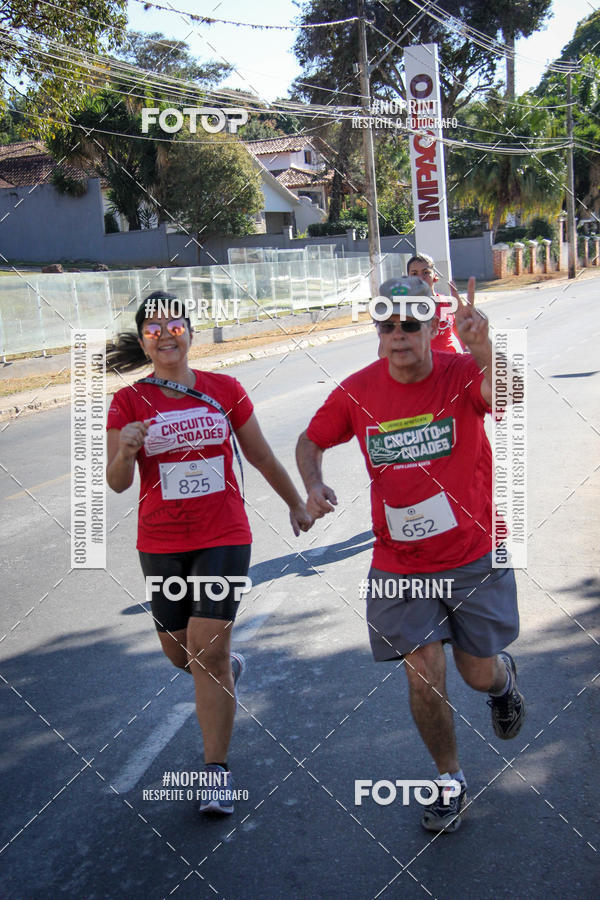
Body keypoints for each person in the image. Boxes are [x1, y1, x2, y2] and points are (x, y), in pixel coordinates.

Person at [296, 276, 525, 833]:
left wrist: (485, 349)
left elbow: (510, 396)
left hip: (473, 550)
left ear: (431, 328)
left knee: (474, 674)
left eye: (409, 324)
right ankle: (449, 779)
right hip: (400, 561)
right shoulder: (357, 391)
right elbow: (311, 439)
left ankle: (501, 682)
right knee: (423, 673)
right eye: (387, 324)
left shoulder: (462, 372)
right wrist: (313, 484)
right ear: (378, 331)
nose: (397, 335)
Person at [106, 291, 312, 815]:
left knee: (207, 652)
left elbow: (260, 454)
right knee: (181, 653)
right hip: (161, 542)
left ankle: (215, 773)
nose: (166, 334)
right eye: (153, 329)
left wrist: (296, 503)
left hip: (223, 533)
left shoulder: (225, 389)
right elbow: (117, 482)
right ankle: (227, 664)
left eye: (174, 324)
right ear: (144, 342)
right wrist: (126, 449)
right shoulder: (129, 401)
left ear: (191, 332)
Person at [406, 253, 464, 353]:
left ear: (435, 276)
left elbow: (463, 337)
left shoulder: (448, 303)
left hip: (449, 364)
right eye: (414, 274)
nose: (420, 278)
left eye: (425, 272)